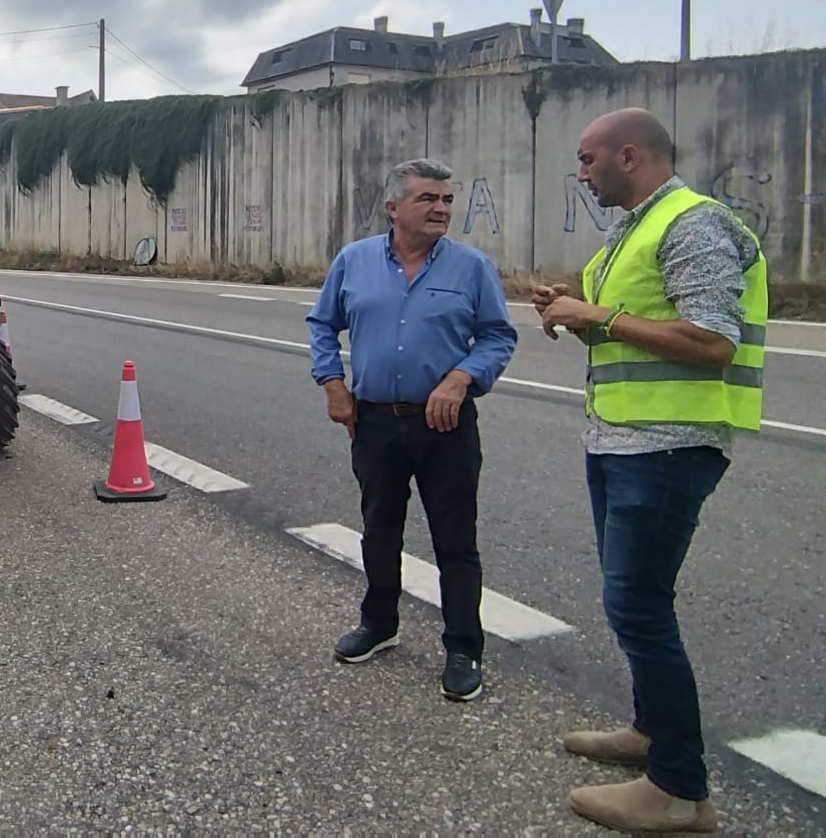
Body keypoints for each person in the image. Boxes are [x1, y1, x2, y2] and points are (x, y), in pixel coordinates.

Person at [533, 108, 766, 834]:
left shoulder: (693, 224)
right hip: (622, 439)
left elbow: (711, 340)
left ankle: (678, 791)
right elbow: (628, 337)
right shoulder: (629, 229)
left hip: (669, 447)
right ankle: (651, 733)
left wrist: (595, 315)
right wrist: (576, 317)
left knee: (638, 607)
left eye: (587, 159)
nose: (581, 173)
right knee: (632, 602)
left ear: (628, 156)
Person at [307, 158, 516, 702]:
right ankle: (379, 624)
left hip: (444, 424)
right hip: (375, 421)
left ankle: (464, 648)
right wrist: (332, 382)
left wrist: (463, 376)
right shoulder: (354, 262)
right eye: (428, 199)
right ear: (394, 206)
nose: (442, 209)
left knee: (455, 540)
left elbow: (498, 336)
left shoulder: (471, 268)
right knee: (379, 528)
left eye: (447, 200)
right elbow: (322, 324)